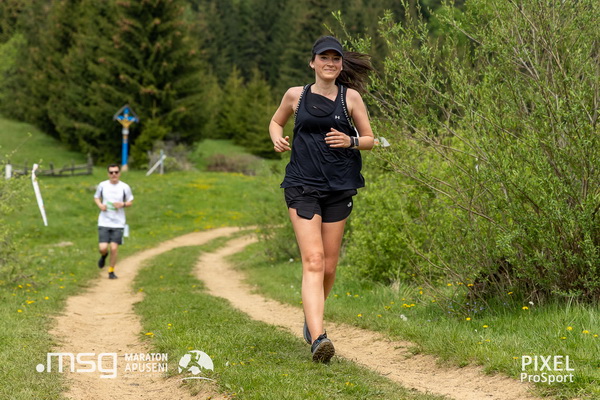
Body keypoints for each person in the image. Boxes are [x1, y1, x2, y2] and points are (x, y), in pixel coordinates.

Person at [269, 36, 374, 362]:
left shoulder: (350, 98)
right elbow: (276, 121)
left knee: (328, 266)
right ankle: (319, 338)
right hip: (302, 185)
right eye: (324, 58)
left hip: (339, 187)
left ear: (341, 64)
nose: (330, 63)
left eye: (335, 58)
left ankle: (310, 318)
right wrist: (277, 138)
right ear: (312, 62)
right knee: (313, 260)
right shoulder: (296, 95)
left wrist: (350, 140)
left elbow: (370, 139)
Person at [94, 164, 134, 279]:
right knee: (103, 248)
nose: (114, 174)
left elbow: (130, 201)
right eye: (111, 172)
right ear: (108, 174)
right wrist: (100, 205)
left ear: (119, 173)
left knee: (114, 248)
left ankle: (111, 271)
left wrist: (123, 204)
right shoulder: (102, 185)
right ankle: (104, 256)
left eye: (116, 172)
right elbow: (96, 197)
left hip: (118, 222)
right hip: (104, 221)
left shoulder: (125, 187)